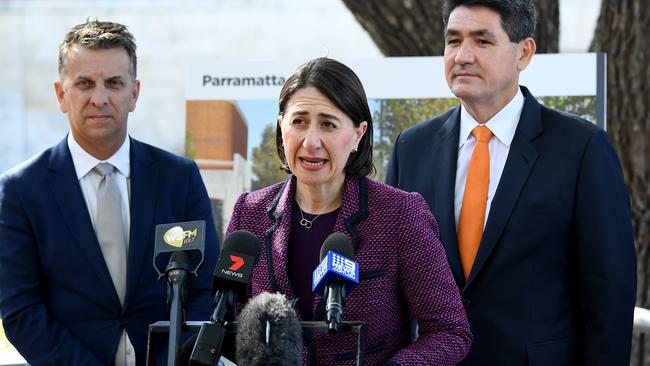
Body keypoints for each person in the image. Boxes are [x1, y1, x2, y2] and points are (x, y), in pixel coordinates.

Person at [386, 0, 637, 365]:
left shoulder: (581, 148)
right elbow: (395, 286)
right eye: (453, 41)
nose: (462, 56)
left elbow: (609, 292)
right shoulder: (412, 147)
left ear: (524, 52)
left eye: (482, 41)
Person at [227, 57, 472, 365]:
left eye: (328, 124)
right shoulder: (249, 212)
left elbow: (449, 331)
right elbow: (229, 321)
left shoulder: (399, 214)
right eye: (298, 121)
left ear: (358, 134)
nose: (310, 141)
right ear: (281, 127)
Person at [0, 20, 219, 365]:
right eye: (84, 84)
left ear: (133, 94)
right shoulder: (21, 190)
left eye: (114, 83)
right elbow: (22, 311)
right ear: (61, 94)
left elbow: (204, 290)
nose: (99, 98)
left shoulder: (180, 178)